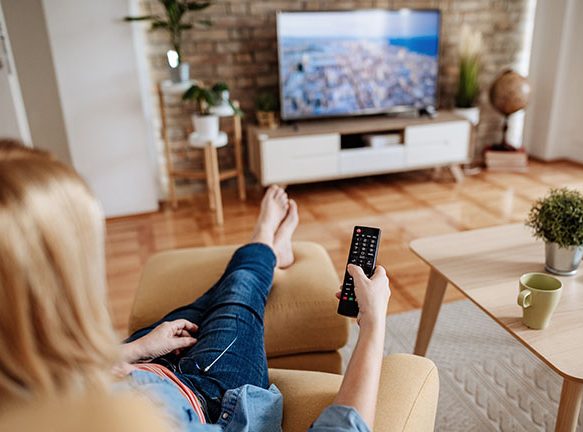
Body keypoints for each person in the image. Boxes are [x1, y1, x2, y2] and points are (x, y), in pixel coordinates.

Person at [0, 140, 390, 431]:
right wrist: (373, 325)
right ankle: (265, 248)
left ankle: (266, 249)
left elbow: (56, 369)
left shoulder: (22, 384)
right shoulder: (124, 422)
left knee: (222, 294)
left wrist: (135, 350)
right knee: (240, 293)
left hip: (139, 361)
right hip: (210, 394)